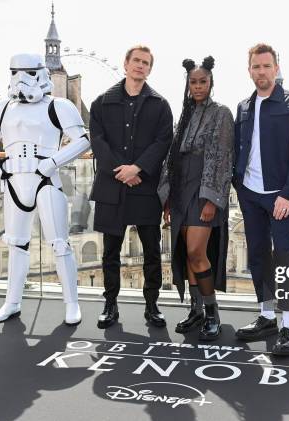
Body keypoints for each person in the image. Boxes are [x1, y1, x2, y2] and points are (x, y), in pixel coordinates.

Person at [0, 53, 90, 326]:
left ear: (40, 73)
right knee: (16, 244)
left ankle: (71, 303)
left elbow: (82, 141)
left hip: (45, 180)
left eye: (27, 72)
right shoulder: (3, 108)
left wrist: (51, 162)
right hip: (14, 179)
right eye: (16, 72)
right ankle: (12, 302)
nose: (20, 79)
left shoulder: (59, 106)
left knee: (60, 244)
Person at [232, 44, 289, 355]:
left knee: (284, 259)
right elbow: (240, 148)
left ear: (276, 69)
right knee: (257, 257)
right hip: (250, 194)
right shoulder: (243, 106)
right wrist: (238, 185)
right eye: (256, 67)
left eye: (267, 66)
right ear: (249, 70)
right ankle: (267, 316)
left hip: (280, 197)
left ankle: (288, 327)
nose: (261, 72)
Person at [89, 45, 174, 328]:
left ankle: (152, 305)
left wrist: (136, 169)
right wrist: (123, 171)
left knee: (152, 252)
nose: (140, 66)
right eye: (136, 61)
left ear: (150, 69)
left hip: (145, 187)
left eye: (146, 63)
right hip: (112, 187)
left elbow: (163, 142)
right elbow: (98, 141)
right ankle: (110, 305)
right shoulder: (101, 102)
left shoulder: (160, 105)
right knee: (110, 252)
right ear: (125, 64)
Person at [158, 56, 234, 340]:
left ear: (211, 82)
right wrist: (167, 196)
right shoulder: (185, 115)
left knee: (196, 252)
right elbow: (173, 156)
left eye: (203, 81)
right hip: (181, 190)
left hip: (204, 190)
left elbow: (223, 157)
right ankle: (196, 310)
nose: (198, 86)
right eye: (193, 82)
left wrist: (212, 199)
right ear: (187, 84)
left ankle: (212, 312)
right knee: (184, 252)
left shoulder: (222, 113)